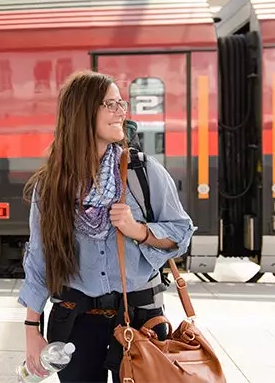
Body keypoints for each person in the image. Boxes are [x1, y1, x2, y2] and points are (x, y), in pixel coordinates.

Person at [17, 70, 196, 383]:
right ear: (83, 113)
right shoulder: (51, 186)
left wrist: (138, 230)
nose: (121, 112)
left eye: (121, 103)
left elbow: (181, 233)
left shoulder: (142, 172)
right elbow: (40, 260)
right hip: (76, 323)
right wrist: (32, 329)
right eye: (110, 105)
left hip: (141, 319)